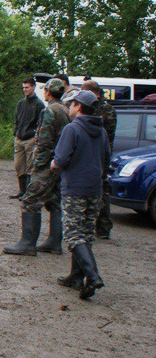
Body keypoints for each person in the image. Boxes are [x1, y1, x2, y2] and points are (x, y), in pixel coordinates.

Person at [50, 90, 109, 299]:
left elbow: (60, 160)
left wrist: (53, 164)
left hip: (75, 188)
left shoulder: (72, 129)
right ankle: (76, 277)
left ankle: (93, 277)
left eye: (72, 103)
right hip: (95, 188)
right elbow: (107, 159)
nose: (70, 107)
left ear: (79, 106)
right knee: (85, 233)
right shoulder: (100, 131)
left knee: (73, 234)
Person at [4, 79, 70, 256]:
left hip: (46, 164)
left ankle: (27, 243)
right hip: (58, 162)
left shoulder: (50, 111)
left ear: (48, 91)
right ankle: (54, 242)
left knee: (30, 200)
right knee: (54, 200)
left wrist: (38, 166)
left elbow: (45, 141)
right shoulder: (65, 109)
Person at [82, 80, 116, 239]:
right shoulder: (110, 108)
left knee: (96, 191)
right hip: (104, 154)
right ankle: (103, 227)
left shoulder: (95, 110)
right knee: (103, 190)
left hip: (95, 155)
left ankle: (94, 226)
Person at [12, 76, 46, 199]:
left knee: (30, 167)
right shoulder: (21, 103)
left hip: (30, 139)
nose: (25, 90)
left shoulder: (39, 104)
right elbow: (16, 118)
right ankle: (21, 190)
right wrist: (15, 132)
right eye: (23, 87)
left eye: (27, 87)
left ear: (33, 87)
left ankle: (28, 193)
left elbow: (40, 122)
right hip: (19, 138)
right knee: (19, 166)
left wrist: (35, 135)